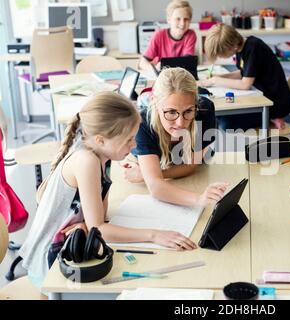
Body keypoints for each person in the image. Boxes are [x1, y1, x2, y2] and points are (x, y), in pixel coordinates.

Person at [19, 92, 197, 287]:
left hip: (73, 248)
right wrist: (154, 235)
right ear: (101, 140)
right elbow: (100, 229)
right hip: (52, 265)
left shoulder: (101, 154)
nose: (134, 145)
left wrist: (89, 226)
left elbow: (99, 219)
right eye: (128, 139)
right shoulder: (86, 161)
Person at [123, 67, 228, 207]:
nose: (181, 123)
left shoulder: (204, 110)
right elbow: (155, 187)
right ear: (154, 101)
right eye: (171, 112)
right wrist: (199, 199)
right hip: (148, 165)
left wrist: (149, 174)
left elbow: (191, 165)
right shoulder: (142, 125)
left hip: (192, 175)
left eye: (189, 111)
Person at [199, 23, 290, 130]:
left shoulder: (253, 48)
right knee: (219, 116)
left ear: (232, 46)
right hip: (262, 97)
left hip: (274, 104)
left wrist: (215, 80)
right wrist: (219, 76)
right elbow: (243, 73)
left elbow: (245, 84)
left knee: (225, 123)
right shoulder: (242, 48)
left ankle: (272, 118)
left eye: (221, 54)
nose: (220, 56)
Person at [138, 0, 197, 71]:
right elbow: (142, 62)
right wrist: (155, 69)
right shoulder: (159, 35)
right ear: (169, 20)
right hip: (164, 75)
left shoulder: (191, 35)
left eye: (186, 19)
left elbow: (187, 62)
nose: (182, 23)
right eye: (178, 19)